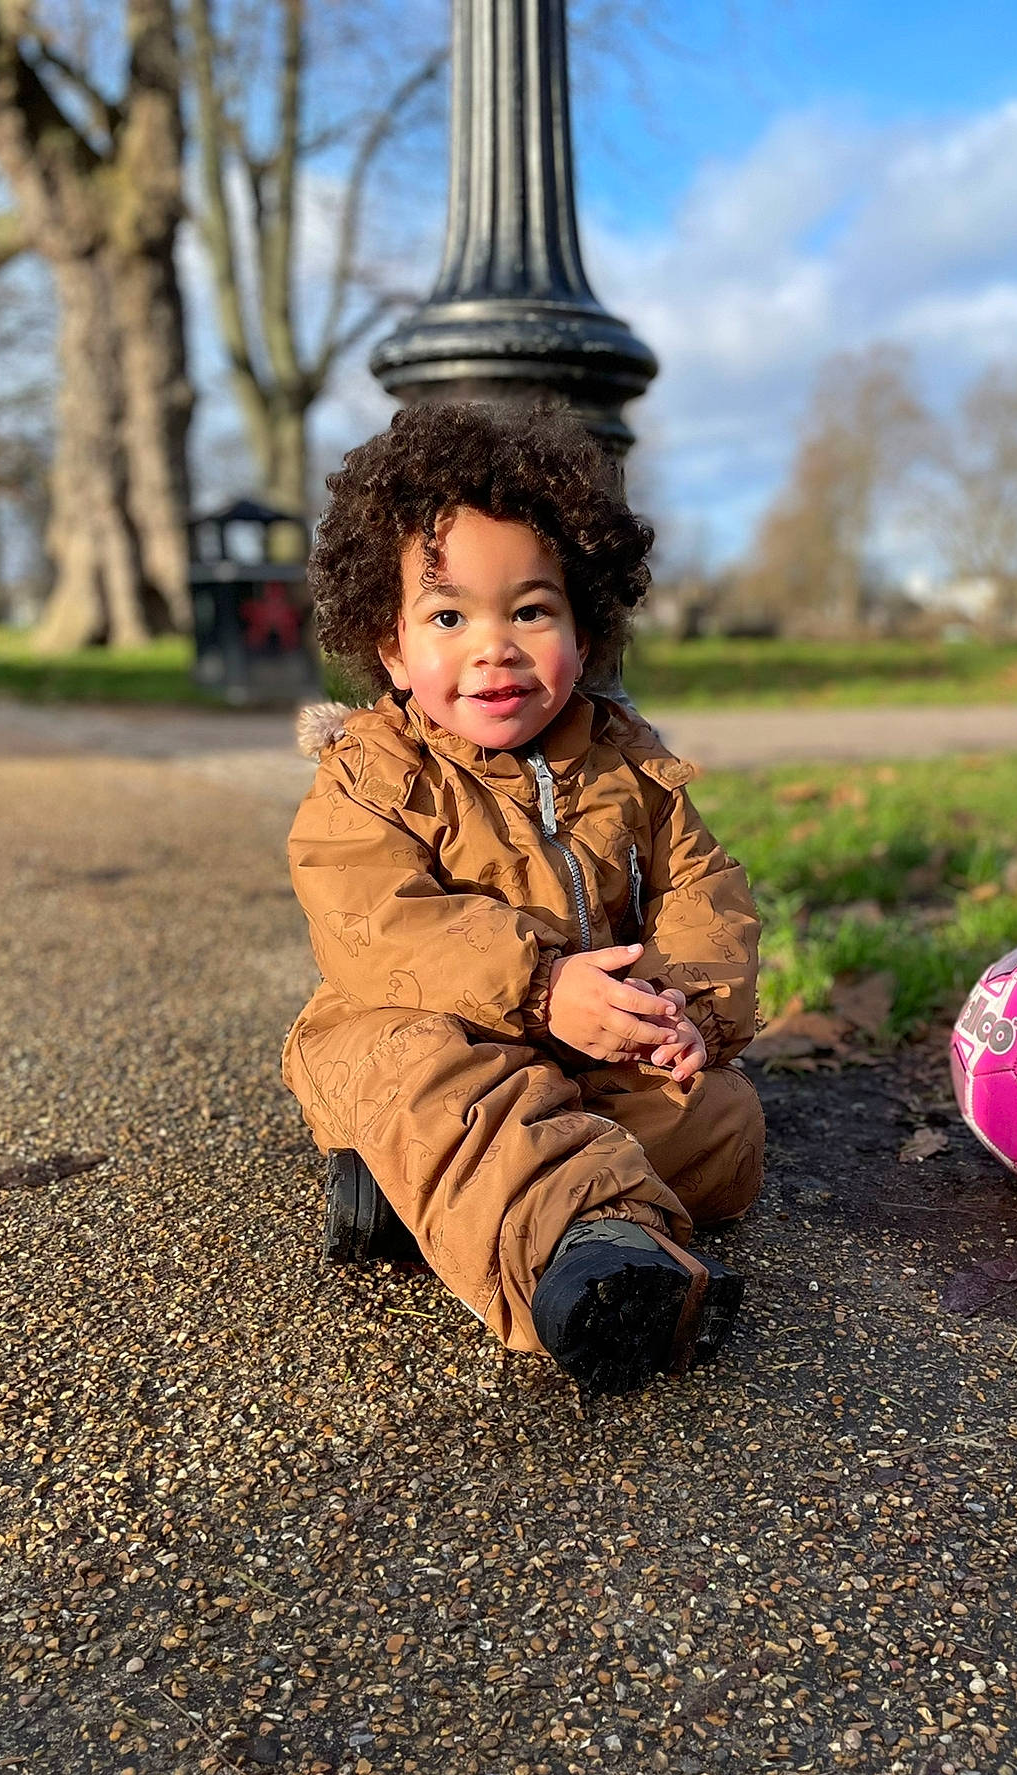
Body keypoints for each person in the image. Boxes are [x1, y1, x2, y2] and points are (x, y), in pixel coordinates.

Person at [282, 402, 764, 1395]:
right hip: (427, 1038)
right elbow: (375, 924)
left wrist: (684, 1008)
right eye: (450, 617)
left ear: (584, 631)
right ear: (390, 645)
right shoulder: (372, 774)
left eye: (531, 611)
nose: (493, 649)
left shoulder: (630, 767)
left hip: (597, 1061)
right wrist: (539, 988)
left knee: (726, 1127)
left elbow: (703, 890)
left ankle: (430, 1197)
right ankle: (589, 1275)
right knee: (433, 1084)